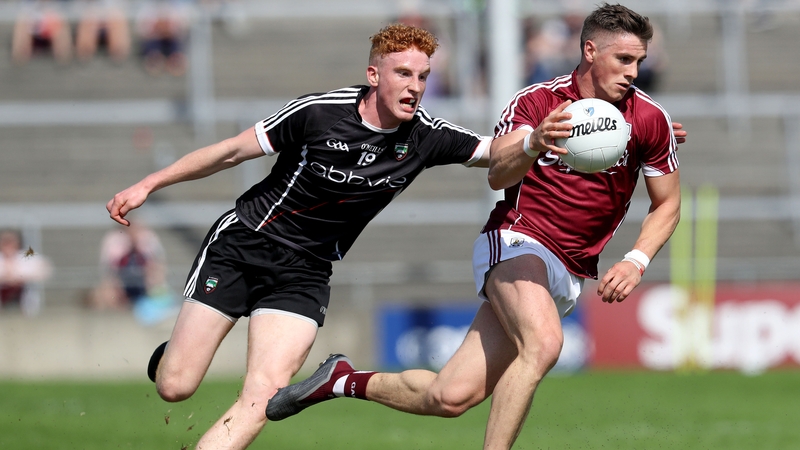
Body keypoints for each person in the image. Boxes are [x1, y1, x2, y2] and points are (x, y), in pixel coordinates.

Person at [266, 4, 684, 450]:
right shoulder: (536, 103)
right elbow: (497, 176)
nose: (634, 72)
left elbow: (668, 203)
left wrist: (637, 260)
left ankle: (339, 381)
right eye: (624, 59)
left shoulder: (649, 119)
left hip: (571, 267)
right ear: (589, 50)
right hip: (518, 240)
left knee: (449, 395)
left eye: (639, 61)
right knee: (543, 345)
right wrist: (533, 140)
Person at [106, 23, 494, 449]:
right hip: (244, 244)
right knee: (175, 386)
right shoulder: (319, 112)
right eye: (403, 73)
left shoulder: (426, 136)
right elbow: (231, 151)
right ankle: (175, 355)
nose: (414, 87)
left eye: (423, 77)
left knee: (262, 399)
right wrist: (149, 184)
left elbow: (497, 150)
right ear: (374, 75)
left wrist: (544, 137)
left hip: (306, 272)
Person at [0, 229, 52, 316]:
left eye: (11, 242)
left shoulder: (27, 256)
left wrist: (20, 277)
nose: (8, 245)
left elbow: (45, 269)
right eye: (5, 242)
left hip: (23, 290)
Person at [11, 0, 73, 65]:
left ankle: (64, 69)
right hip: (30, 17)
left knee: (60, 23)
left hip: (55, 16)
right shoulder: (24, 8)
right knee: (22, 23)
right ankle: (21, 70)